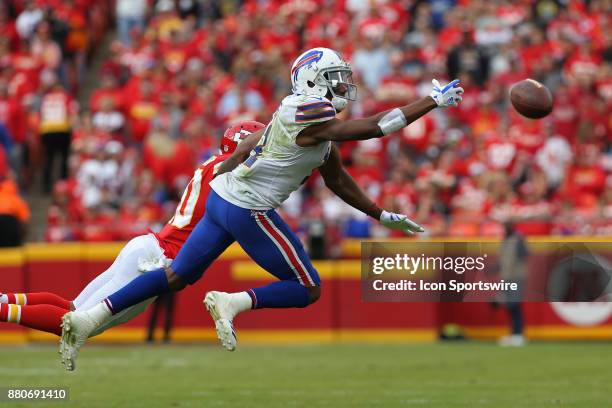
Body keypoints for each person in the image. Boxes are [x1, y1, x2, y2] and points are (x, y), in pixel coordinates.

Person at [60, 47, 463, 369]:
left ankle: (88, 318)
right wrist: (429, 102)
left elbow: (337, 180)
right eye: (333, 77)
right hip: (247, 209)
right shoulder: (308, 111)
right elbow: (372, 128)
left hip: (223, 200)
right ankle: (233, 301)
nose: (342, 84)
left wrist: (381, 214)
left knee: (176, 276)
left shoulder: (311, 122)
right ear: (311, 80)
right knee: (308, 288)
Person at [0, 121, 265, 366]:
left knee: (73, 308)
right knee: (75, 324)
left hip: (148, 247)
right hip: (155, 262)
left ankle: (4, 299)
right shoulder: (225, 172)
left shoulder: (211, 166)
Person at [497, 222, 529, 347]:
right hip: (507, 277)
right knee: (509, 306)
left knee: (514, 305)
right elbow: (504, 260)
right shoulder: (506, 240)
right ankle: (514, 333)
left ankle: (518, 334)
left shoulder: (518, 240)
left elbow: (524, 255)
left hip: (516, 277)